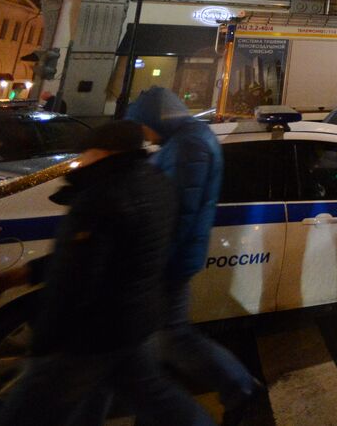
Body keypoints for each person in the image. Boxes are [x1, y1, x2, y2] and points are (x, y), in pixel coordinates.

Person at [0, 120, 210, 426]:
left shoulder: (101, 196)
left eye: (87, 151)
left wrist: (48, 340)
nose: (81, 158)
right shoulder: (157, 183)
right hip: (133, 322)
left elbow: (75, 273)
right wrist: (27, 272)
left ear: (103, 151)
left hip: (86, 335)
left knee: (26, 413)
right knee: (159, 400)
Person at [125, 87, 263, 426]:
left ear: (155, 118)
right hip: (170, 258)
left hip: (169, 261)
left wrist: (155, 263)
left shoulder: (189, 145)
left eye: (144, 125)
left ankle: (239, 387)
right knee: (166, 338)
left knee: (173, 338)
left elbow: (180, 213)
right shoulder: (185, 141)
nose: (146, 135)